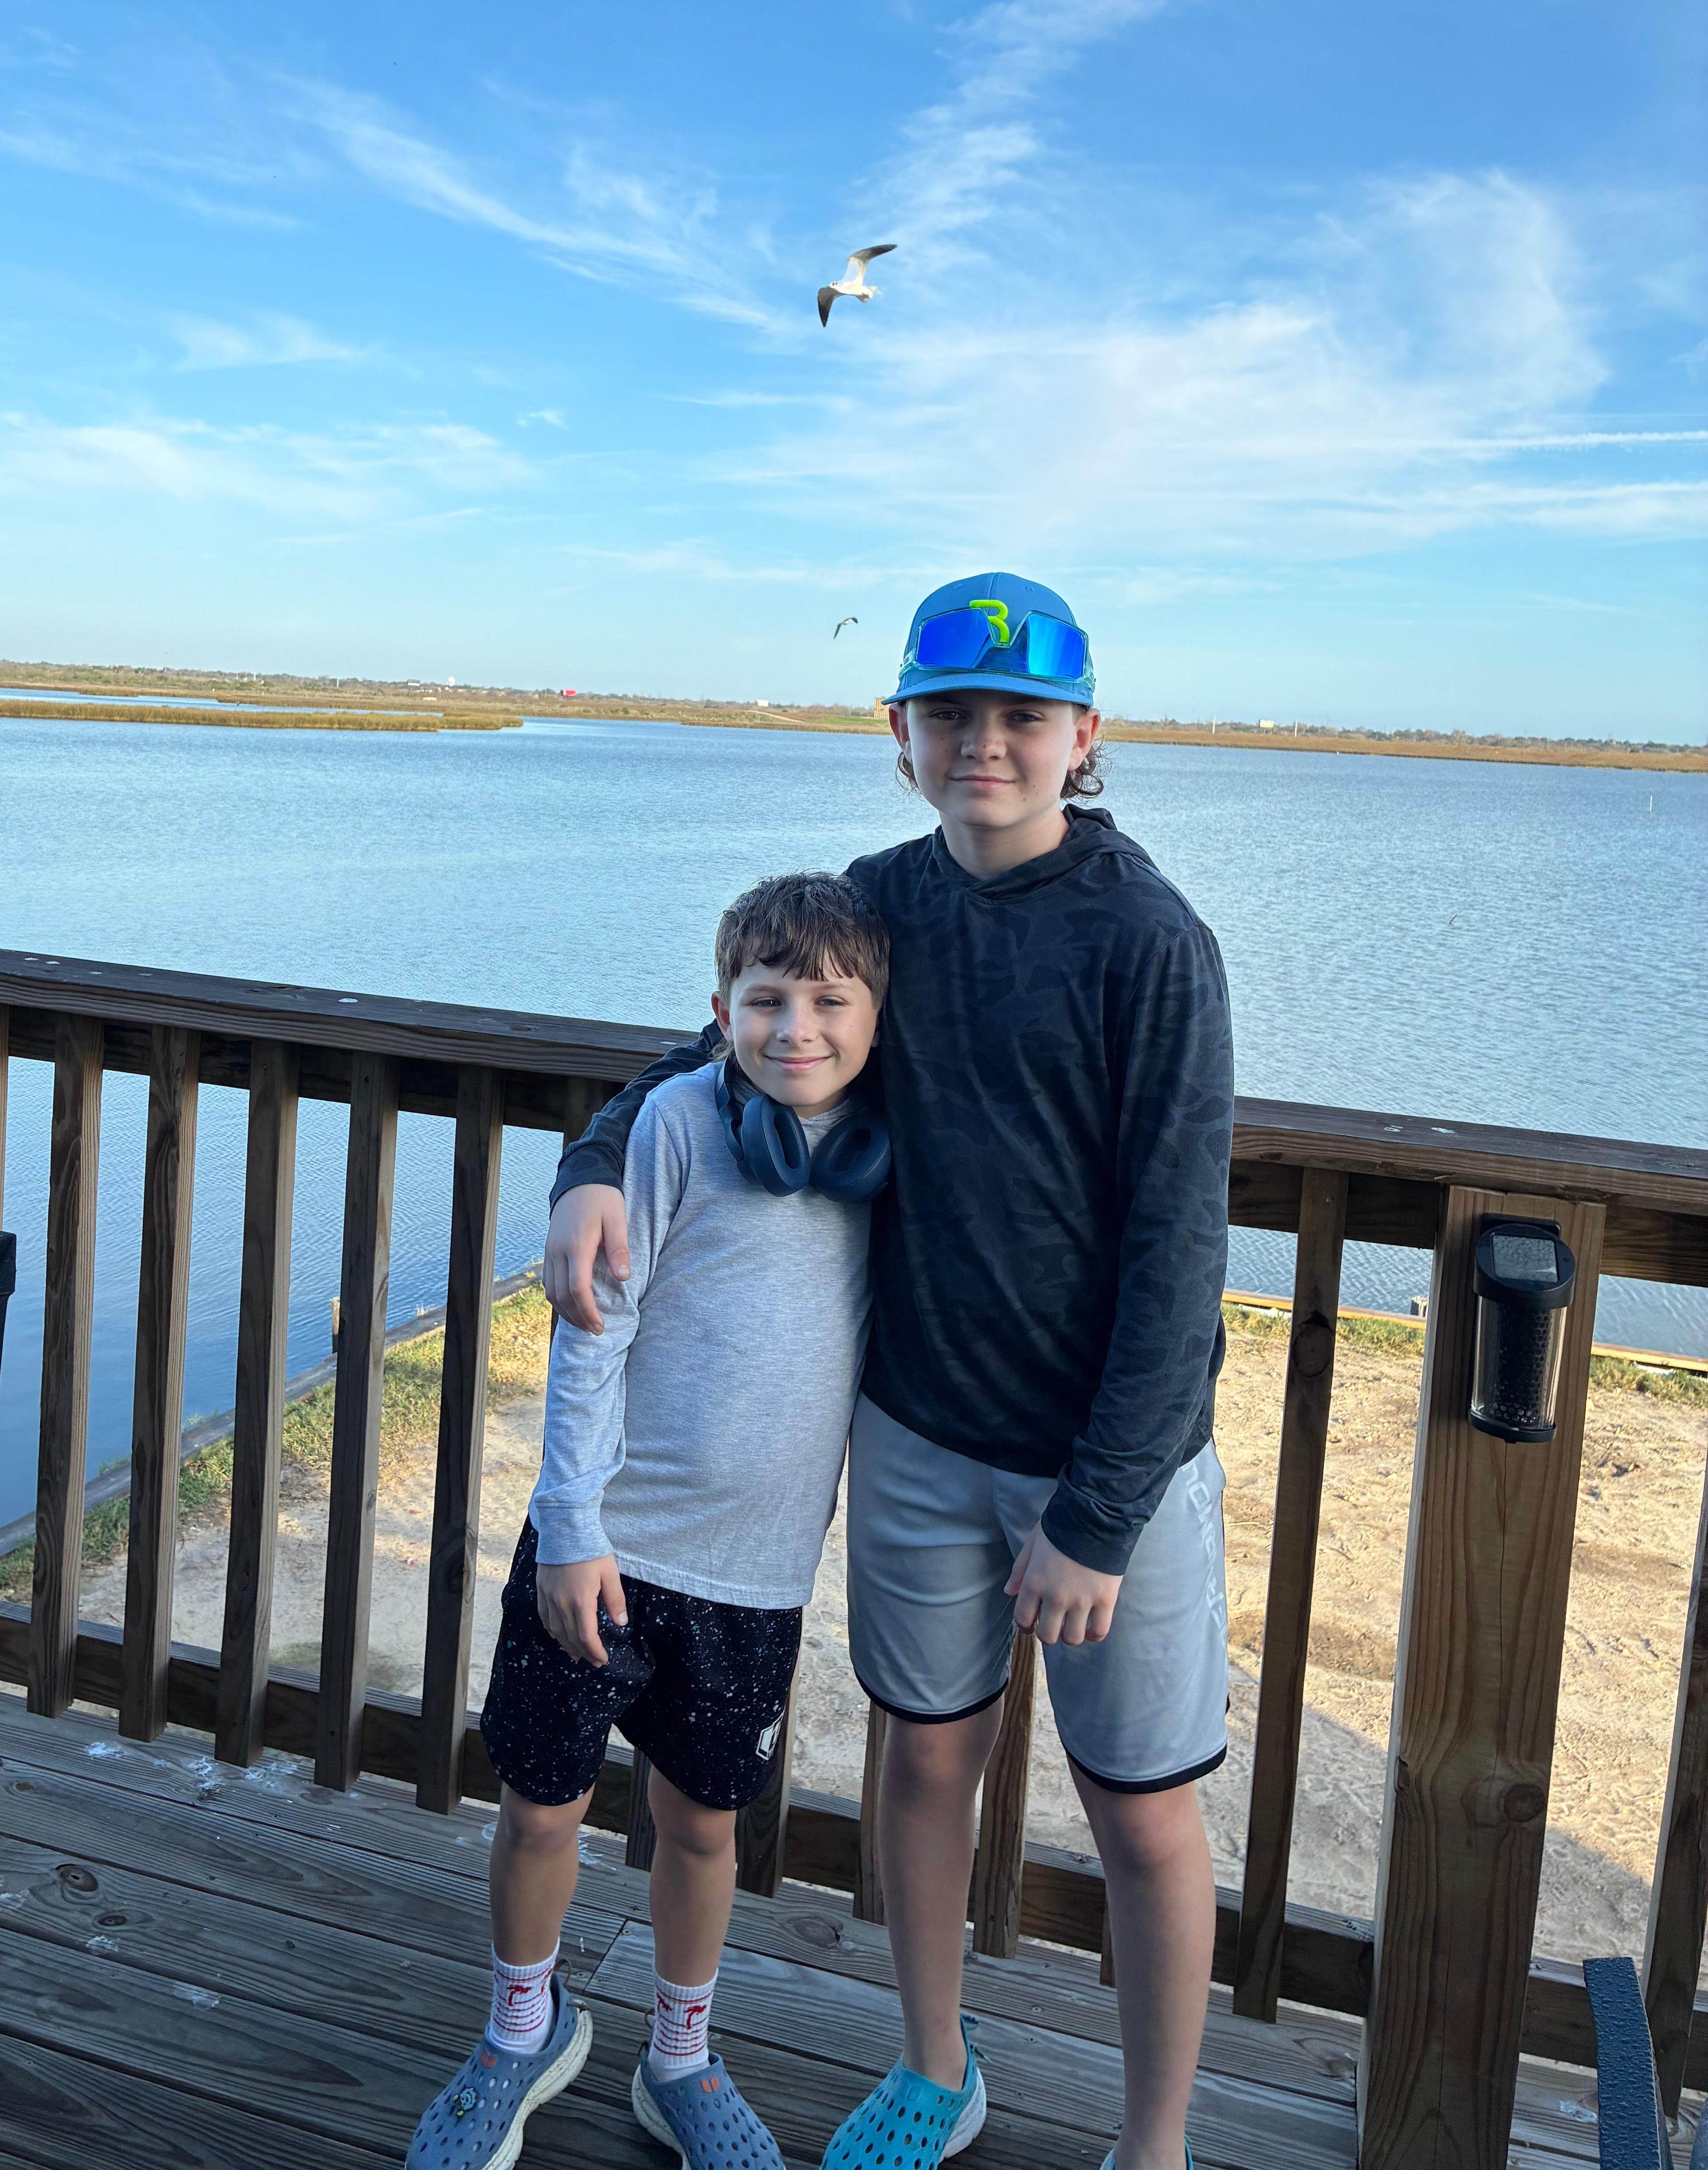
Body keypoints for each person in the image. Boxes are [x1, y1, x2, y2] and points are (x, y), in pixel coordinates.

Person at [545, 572, 1233, 2170]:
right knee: (924, 1761)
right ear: (902, 737)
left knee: (1139, 1810)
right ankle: (936, 2067)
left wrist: (1098, 1514)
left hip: (1106, 1467)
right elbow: (713, 1048)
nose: (983, 743)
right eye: (948, 714)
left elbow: (1179, 1246)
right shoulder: (878, 904)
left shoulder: (1148, 940)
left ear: (1082, 737)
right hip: (917, 1431)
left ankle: (1154, 2142)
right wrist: (593, 1162)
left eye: (1019, 716)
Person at [406, 870, 891, 2170]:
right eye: (766, 1000)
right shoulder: (677, 1124)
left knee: (704, 1826)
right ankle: (523, 2027)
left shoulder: (885, 1150)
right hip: (606, 1553)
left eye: (830, 1002)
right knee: (539, 1807)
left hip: (757, 1578)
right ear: (719, 1014)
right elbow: (593, 1335)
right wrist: (570, 1524)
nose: (797, 1029)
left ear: (875, 1018)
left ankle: (680, 2054)